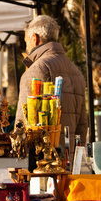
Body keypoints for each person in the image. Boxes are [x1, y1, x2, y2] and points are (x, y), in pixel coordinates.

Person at [15, 15, 87, 160]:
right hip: (69, 158)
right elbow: (82, 124)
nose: (27, 47)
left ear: (34, 38)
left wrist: (18, 159)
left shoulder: (38, 69)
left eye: (26, 41)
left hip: (43, 160)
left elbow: (24, 122)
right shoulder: (75, 70)